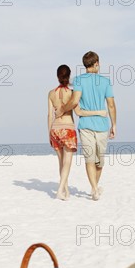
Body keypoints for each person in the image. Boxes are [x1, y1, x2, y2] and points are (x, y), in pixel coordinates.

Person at [56, 52, 116, 201]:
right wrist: (114, 124)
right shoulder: (105, 81)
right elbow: (111, 105)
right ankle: (95, 189)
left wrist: (63, 109)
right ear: (96, 63)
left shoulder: (78, 80)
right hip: (99, 125)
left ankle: (94, 188)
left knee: (91, 159)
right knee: (98, 161)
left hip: (87, 125)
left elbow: (75, 101)